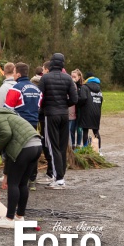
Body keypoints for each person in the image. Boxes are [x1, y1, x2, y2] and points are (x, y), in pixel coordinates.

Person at [0, 109, 42, 229]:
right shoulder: (11, 116)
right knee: (22, 183)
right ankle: (19, 216)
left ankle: (9, 219)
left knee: (13, 184)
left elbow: (6, 134)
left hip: (24, 148)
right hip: (37, 145)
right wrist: (6, 175)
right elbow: (10, 154)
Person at [37, 53, 78, 190]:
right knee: (61, 146)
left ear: (52, 63)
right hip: (64, 115)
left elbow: (39, 96)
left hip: (50, 115)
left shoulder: (45, 78)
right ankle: (60, 176)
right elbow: (74, 98)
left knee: (52, 146)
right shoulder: (68, 79)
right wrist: (64, 104)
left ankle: (58, 179)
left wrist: (42, 108)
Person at [4, 62, 42, 190]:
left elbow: (7, 109)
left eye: (14, 72)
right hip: (34, 124)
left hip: (19, 124)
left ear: (18, 74)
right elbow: (40, 106)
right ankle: (32, 179)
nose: (13, 75)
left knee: (17, 151)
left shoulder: (15, 89)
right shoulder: (37, 89)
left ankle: (16, 178)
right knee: (32, 150)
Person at [78, 72, 103, 152]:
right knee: (96, 131)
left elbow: (83, 98)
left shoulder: (84, 87)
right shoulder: (99, 88)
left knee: (85, 131)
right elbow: (101, 100)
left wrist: (78, 104)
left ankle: (85, 148)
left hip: (86, 112)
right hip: (97, 112)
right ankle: (99, 150)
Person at [69, 69, 84, 149]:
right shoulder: (70, 85)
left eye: (74, 76)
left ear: (79, 77)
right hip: (72, 111)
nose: (72, 78)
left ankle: (78, 144)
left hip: (79, 111)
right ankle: (73, 144)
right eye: (71, 76)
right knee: (71, 129)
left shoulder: (82, 87)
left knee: (79, 129)